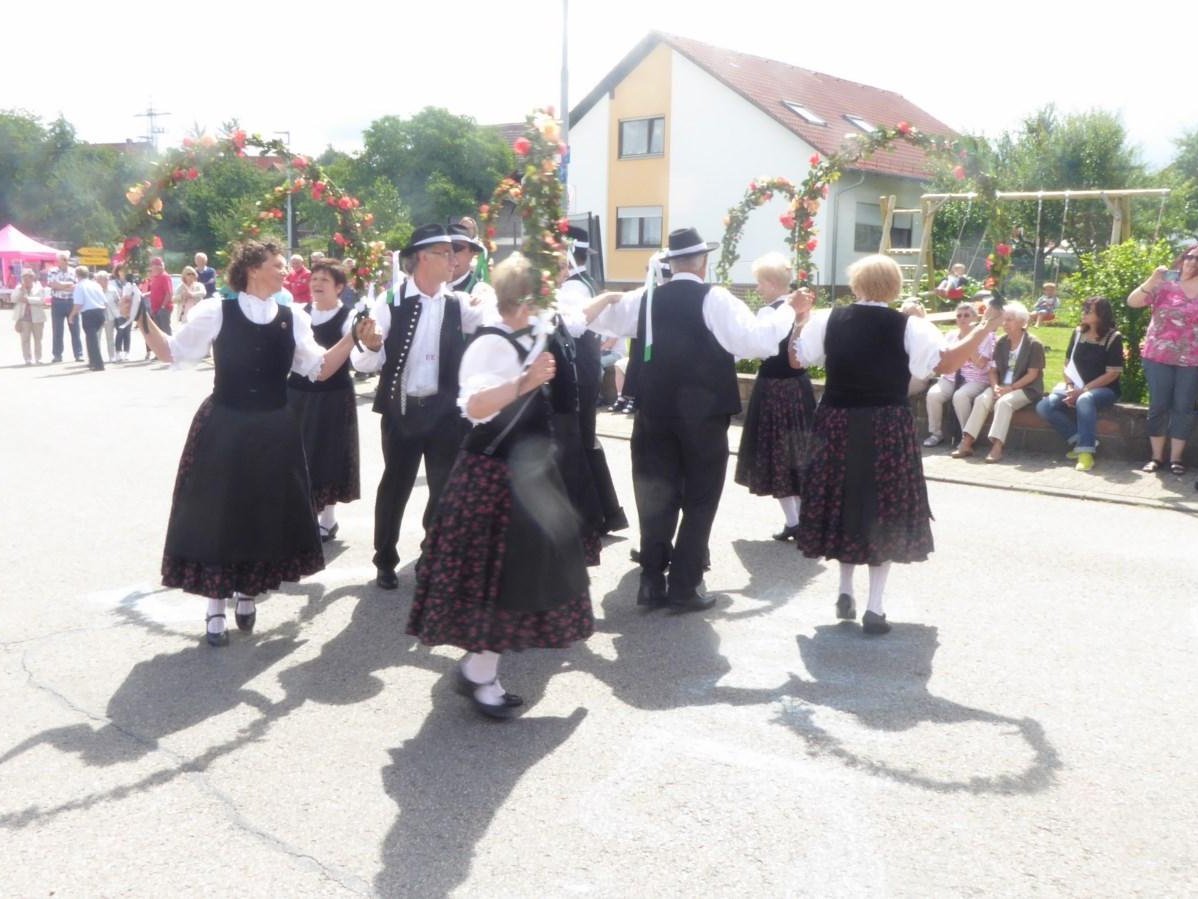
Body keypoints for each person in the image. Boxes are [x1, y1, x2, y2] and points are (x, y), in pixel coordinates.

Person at [139, 239, 366, 646]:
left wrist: (351, 337)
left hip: (274, 429)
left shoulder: (292, 316)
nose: (285, 271)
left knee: (261, 511)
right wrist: (142, 317)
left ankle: (248, 591)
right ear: (252, 268)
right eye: (277, 264)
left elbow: (318, 369)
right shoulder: (216, 310)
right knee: (219, 513)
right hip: (225, 424)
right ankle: (214, 607)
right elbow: (172, 352)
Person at [406, 252, 592, 719]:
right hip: (494, 477)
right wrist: (525, 381)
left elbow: (577, 318)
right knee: (501, 577)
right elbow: (475, 407)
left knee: (525, 572)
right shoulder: (491, 344)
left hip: (528, 473)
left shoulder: (530, 333)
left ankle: (481, 669)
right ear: (524, 299)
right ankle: (481, 673)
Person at [588, 227, 801, 612]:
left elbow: (600, 321)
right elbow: (756, 342)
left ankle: (652, 581)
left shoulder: (645, 298)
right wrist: (787, 309)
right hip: (702, 414)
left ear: (671, 263)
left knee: (655, 494)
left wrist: (607, 297)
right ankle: (685, 583)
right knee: (701, 496)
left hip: (653, 411)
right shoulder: (715, 298)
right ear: (703, 262)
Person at [791, 254, 1000, 635]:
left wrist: (800, 319)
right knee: (881, 508)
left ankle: (843, 590)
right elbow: (947, 362)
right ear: (893, 288)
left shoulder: (828, 319)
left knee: (842, 501)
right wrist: (984, 329)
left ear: (856, 284)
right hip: (886, 424)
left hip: (836, 421)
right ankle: (874, 606)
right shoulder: (910, 327)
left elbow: (796, 358)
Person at [350, 223, 489, 590]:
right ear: (423, 258)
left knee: (444, 486)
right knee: (396, 484)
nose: (454, 260)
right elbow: (363, 363)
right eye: (446, 253)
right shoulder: (391, 301)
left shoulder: (460, 303)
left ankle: (432, 552)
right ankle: (385, 558)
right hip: (402, 410)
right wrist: (373, 344)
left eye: (455, 253)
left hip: (446, 412)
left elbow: (495, 322)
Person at [734, 252, 816, 541]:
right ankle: (802, 518)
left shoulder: (770, 313)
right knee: (798, 451)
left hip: (773, 387)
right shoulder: (802, 310)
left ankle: (796, 520)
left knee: (777, 454)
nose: (757, 288)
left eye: (759, 283)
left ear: (770, 283)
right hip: (798, 387)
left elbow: (757, 348)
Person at [557, 224, 628, 534]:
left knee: (578, 442)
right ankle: (608, 513)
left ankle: (596, 516)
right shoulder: (583, 281)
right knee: (586, 441)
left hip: (577, 370)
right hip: (585, 367)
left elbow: (571, 327)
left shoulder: (572, 288)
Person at [286, 260, 360, 541]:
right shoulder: (298, 314)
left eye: (324, 280)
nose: (316, 284)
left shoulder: (349, 317)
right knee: (298, 453)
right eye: (314, 278)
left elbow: (360, 359)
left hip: (333, 396)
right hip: (297, 393)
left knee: (328, 454)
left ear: (339, 287)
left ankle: (327, 519)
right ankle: (301, 513)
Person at [1127, 247, 1198, 475]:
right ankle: (1156, 457)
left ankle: (1176, 459)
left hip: (1192, 359)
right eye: (1191, 257)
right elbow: (1133, 302)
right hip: (1158, 356)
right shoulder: (1165, 283)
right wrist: (1153, 277)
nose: (1194, 262)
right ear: (1183, 258)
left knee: (1184, 408)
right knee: (1158, 405)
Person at [1035, 297, 1123, 471]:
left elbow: (1113, 373)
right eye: (1084, 309)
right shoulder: (1077, 333)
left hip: (1104, 389)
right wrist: (1069, 388)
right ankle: (1081, 440)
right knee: (1045, 406)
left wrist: (1082, 391)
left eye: (1088, 311)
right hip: (1074, 386)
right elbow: (1067, 364)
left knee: (1085, 400)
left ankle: (1086, 454)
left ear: (1101, 314)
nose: (1083, 313)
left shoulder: (1113, 337)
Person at [952, 300, 1045, 463]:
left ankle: (997, 447)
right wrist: (995, 386)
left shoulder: (1034, 344)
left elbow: (1032, 374)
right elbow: (993, 370)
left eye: (1009, 319)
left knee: (1004, 403)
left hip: (1026, 387)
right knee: (982, 399)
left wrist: (1010, 388)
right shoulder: (1002, 342)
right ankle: (966, 442)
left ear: (1022, 322)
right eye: (1004, 319)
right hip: (1001, 385)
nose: (1005, 323)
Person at [923, 301, 995, 447]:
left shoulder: (986, 336)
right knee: (933, 395)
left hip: (976, 378)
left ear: (975, 318)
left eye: (966, 315)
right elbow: (943, 360)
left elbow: (980, 364)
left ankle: (966, 437)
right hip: (951, 376)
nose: (962, 319)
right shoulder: (951, 335)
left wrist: (970, 342)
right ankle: (936, 433)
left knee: (960, 396)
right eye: (959, 316)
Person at [67, 266, 109, 371]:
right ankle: (92, 361)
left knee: (92, 339)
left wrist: (71, 315)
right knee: (91, 338)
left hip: (89, 313)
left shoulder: (79, 286)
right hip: (100, 311)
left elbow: (78, 304)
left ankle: (98, 364)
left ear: (77, 275)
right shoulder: (95, 285)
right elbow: (104, 301)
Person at [47, 251, 82, 363]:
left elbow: (76, 286)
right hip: (57, 302)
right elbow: (53, 285)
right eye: (63, 259)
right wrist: (67, 285)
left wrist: (60, 286)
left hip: (71, 302)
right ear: (59, 260)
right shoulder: (52, 271)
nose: (66, 261)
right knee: (57, 330)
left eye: (67, 259)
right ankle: (57, 355)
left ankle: (78, 354)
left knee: (75, 329)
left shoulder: (74, 271)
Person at [11, 268, 46, 364]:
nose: (26, 280)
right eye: (24, 278)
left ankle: (38, 358)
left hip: (37, 317)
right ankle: (27, 358)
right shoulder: (18, 288)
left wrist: (29, 300)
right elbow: (13, 299)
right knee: (25, 339)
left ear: (32, 278)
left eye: (28, 278)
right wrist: (20, 291)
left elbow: (42, 300)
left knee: (38, 339)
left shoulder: (38, 287)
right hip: (23, 318)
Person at [117, 269, 144, 362]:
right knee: (121, 332)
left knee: (126, 333)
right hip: (122, 311)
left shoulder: (132, 286)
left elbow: (137, 297)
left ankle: (126, 352)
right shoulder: (123, 285)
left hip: (130, 311)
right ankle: (119, 352)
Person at [94, 270, 121, 362]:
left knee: (110, 337)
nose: (105, 281)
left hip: (110, 316)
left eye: (106, 279)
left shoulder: (113, 289)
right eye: (102, 279)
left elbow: (118, 301)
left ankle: (112, 356)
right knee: (97, 337)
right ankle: (97, 357)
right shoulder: (94, 290)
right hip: (97, 316)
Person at [146, 257, 174, 335]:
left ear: (160, 267)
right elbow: (155, 291)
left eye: (154, 266)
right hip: (155, 309)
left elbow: (169, 293)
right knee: (158, 333)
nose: (152, 269)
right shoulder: (155, 277)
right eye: (152, 266)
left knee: (165, 331)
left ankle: (170, 346)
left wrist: (163, 307)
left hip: (163, 309)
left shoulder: (165, 277)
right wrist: (145, 294)